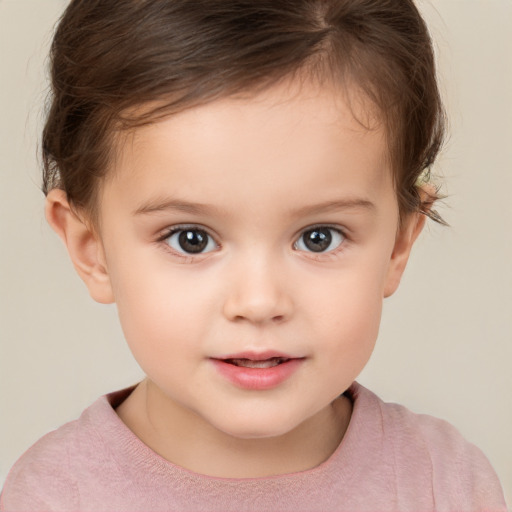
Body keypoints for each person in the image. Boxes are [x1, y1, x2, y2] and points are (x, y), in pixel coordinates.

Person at [0, 0, 507, 510]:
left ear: (398, 243)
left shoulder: (446, 485)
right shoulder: (53, 497)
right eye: (191, 239)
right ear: (93, 250)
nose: (260, 302)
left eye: (319, 237)